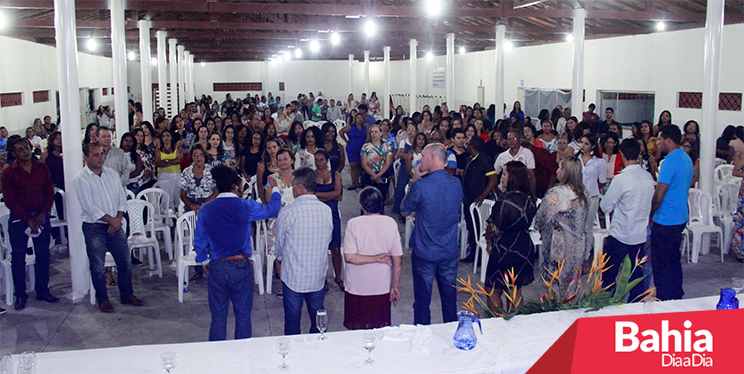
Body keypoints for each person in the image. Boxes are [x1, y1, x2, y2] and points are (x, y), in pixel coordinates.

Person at [194, 165, 281, 341]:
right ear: (236, 186)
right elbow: (272, 209)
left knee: (218, 316)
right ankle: (242, 357)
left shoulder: (206, 209)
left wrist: (203, 261)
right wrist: (275, 188)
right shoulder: (245, 206)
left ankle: (217, 357)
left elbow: (200, 240)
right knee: (242, 316)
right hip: (241, 266)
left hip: (217, 266)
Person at [73, 143, 145, 313]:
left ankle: (127, 294)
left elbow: (121, 197)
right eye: (96, 155)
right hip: (94, 227)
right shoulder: (80, 179)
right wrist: (111, 220)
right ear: (86, 158)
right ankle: (103, 299)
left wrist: (118, 219)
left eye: (102, 154)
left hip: (115, 225)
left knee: (125, 262)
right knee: (98, 266)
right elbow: (90, 207)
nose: (101, 158)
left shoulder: (111, 174)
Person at [401, 143, 463, 325]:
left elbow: (404, 210)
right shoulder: (456, 184)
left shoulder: (421, 186)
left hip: (425, 251)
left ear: (433, 158)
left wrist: (415, 181)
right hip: (449, 250)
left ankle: (422, 338)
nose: (419, 160)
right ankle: (451, 334)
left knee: (422, 301)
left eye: (423, 156)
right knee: (449, 300)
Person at [1, 137, 58, 311]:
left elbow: (49, 191)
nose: (25, 151)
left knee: (43, 255)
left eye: (26, 147)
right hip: (19, 220)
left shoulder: (41, 167)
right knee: (18, 258)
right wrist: (27, 219)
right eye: (19, 149)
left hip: (41, 217)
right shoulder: (9, 172)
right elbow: (10, 200)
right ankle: (20, 295)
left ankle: (43, 290)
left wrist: (42, 214)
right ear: (13, 153)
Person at [275, 167, 333, 335]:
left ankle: (293, 356)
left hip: (293, 276)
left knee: (292, 322)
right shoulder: (326, 211)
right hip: (317, 276)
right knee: (317, 323)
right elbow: (328, 239)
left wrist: (281, 258)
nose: (292, 189)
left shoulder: (287, 212)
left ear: (300, 187)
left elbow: (279, 245)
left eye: (293, 186)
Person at [600, 139, 655, 303]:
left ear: (621, 154)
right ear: (639, 153)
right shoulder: (647, 177)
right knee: (635, 275)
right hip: (639, 235)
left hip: (620, 234)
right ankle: (634, 306)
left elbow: (605, 206)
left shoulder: (621, 179)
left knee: (609, 272)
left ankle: (607, 303)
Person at [342, 187, 402, 329]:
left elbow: (350, 257)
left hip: (357, 286)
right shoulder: (390, 223)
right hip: (381, 285)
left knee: (356, 330)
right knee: (379, 329)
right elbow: (397, 259)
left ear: (362, 206)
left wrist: (373, 258)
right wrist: (395, 286)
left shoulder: (353, 224)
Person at [483, 161, 536, 312]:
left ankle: (498, 324)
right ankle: (514, 324)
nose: (502, 177)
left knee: (493, 290)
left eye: (505, 174)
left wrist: (489, 239)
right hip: (524, 246)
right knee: (514, 289)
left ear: (513, 177)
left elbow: (494, 227)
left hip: (505, 248)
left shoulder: (504, 201)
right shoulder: (529, 199)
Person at [650, 125, 693, 300]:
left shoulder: (668, 163)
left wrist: (651, 215)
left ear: (668, 140)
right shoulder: (686, 158)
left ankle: (664, 299)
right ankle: (676, 294)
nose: (657, 142)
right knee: (674, 260)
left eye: (659, 139)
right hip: (680, 217)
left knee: (661, 264)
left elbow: (659, 195)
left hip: (666, 219)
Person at [534, 156, 589, 289]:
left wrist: (538, 227)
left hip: (559, 244)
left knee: (556, 283)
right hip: (578, 244)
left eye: (560, 168)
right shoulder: (584, 192)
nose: (557, 171)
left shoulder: (557, 193)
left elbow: (541, 217)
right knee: (571, 283)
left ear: (566, 172)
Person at [461, 136, 499, 262]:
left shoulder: (483, 159)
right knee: (470, 226)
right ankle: (472, 251)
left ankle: (477, 255)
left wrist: (482, 195)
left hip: (477, 199)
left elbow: (493, 179)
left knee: (476, 226)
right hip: (468, 198)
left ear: (472, 146)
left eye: (468, 143)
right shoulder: (470, 159)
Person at [314, 149, 344, 291]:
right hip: (317, 215)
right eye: (316, 160)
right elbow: (310, 195)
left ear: (327, 161)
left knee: (336, 248)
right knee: (320, 250)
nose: (318, 163)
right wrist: (330, 195)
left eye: (321, 159)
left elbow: (338, 193)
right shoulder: (311, 176)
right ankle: (322, 278)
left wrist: (318, 194)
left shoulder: (335, 174)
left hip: (332, 214)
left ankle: (338, 277)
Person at [578, 134, 607, 256]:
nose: (582, 146)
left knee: (587, 228)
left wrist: (592, 188)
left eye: (586, 143)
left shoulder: (599, 162)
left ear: (593, 146)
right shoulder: (576, 160)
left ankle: (586, 256)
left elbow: (602, 181)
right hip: (576, 197)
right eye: (582, 143)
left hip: (591, 197)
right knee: (576, 227)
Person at [494, 130, 536, 198]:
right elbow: (494, 175)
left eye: (514, 139)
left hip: (522, 192)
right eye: (509, 139)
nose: (511, 141)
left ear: (520, 140)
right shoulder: (502, 156)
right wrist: (498, 191)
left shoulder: (527, 153)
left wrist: (533, 193)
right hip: (505, 192)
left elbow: (531, 176)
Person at [360, 124, 394, 199]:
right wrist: (374, 176)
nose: (374, 134)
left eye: (376, 132)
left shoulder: (386, 146)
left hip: (382, 174)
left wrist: (378, 175)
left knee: (380, 199)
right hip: (369, 175)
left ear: (380, 133)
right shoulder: (365, 146)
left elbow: (388, 163)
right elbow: (364, 164)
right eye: (372, 132)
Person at [339, 112, 369, 190]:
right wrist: (346, 141)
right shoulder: (350, 126)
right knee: (353, 166)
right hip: (352, 148)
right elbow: (341, 132)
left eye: (361, 118)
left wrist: (366, 144)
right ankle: (353, 182)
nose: (359, 119)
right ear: (355, 119)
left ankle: (357, 181)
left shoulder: (365, 127)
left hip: (362, 148)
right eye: (358, 118)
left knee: (359, 165)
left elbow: (369, 135)